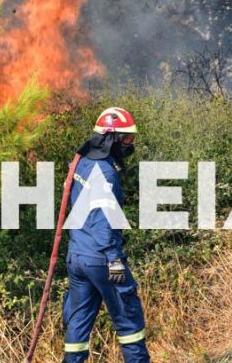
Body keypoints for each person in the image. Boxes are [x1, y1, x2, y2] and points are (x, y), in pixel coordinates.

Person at [62, 107, 150, 362]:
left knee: (78, 323)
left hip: (78, 256)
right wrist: (114, 260)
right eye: (128, 138)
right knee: (129, 320)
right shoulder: (106, 172)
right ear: (113, 138)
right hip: (102, 258)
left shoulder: (83, 162)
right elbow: (103, 220)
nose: (130, 143)